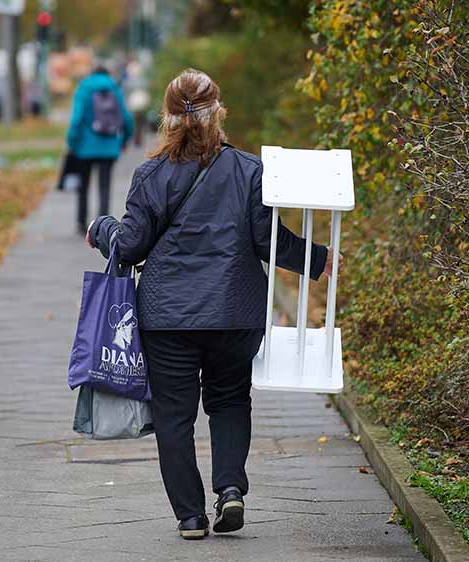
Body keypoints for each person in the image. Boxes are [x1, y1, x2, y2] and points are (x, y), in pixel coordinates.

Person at [85, 69, 341, 540]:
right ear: (218, 112)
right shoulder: (248, 171)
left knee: (173, 415)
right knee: (228, 401)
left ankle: (190, 516)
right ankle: (230, 490)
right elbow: (267, 241)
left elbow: (133, 244)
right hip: (233, 313)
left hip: (167, 319)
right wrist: (318, 259)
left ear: (167, 118)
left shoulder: (151, 175)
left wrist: (101, 229)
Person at [66, 65, 134, 234]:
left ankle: (81, 223)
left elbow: (76, 118)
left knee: (83, 186)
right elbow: (126, 119)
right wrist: (123, 141)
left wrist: (72, 142)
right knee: (104, 186)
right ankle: (102, 227)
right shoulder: (114, 89)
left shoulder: (83, 89)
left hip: (84, 147)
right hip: (109, 146)